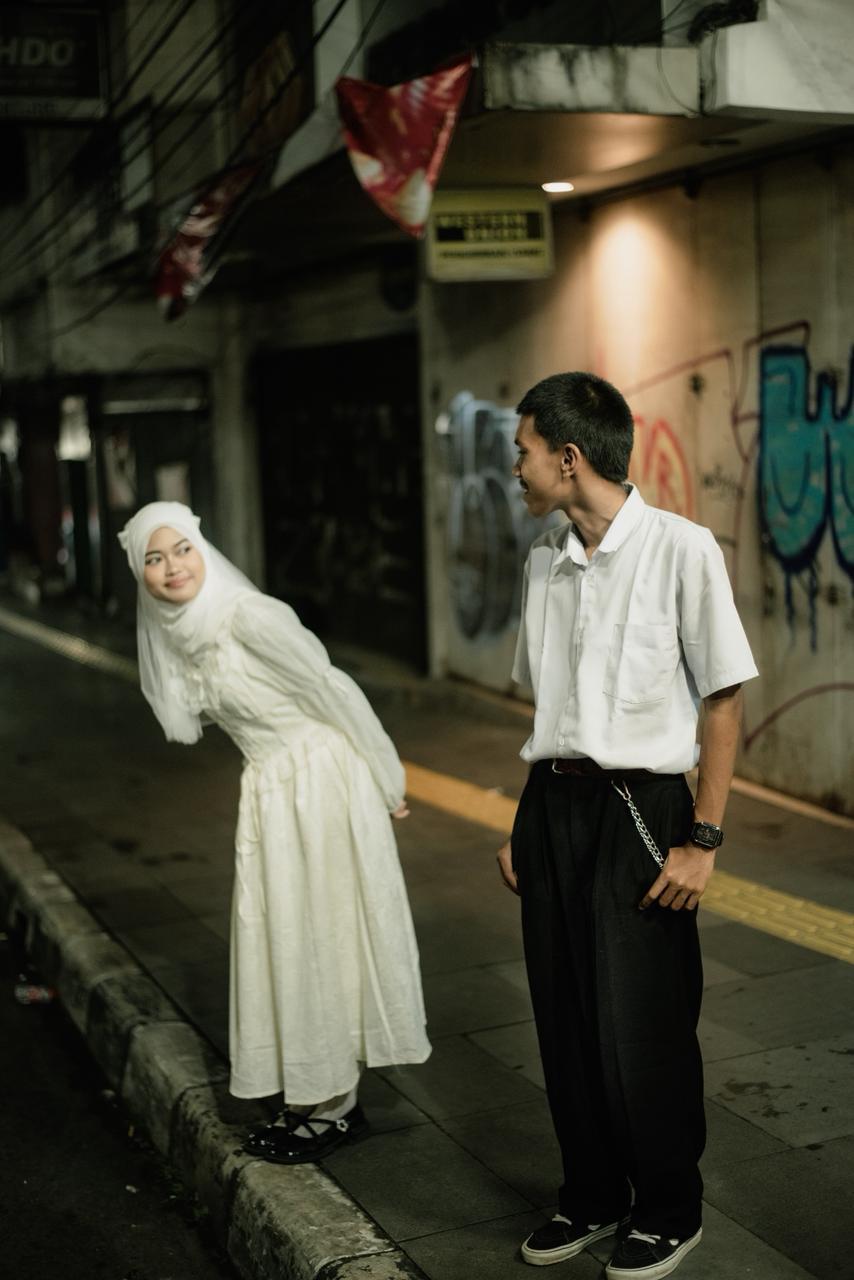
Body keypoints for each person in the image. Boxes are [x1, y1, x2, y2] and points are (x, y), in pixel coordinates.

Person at [497, 373, 758, 1279]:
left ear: (569, 458)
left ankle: (668, 1207)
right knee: (564, 1014)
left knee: (642, 1022)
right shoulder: (544, 559)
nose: (515, 468)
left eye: (523, 451)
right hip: (551, 804)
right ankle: (592, 1193)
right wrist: (522, 820)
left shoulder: (682, 550)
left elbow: (722, 700)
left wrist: (704, 840)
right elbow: (552, 705)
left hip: (642, 809)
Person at [119, 501, 430, 1163]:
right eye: (154, 558)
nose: (172, 567)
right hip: (270, 789)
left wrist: (386, 778)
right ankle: (315, 1092)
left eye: (182, 549)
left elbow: (331, 689)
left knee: (322, 934)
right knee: (286, 937)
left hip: (320, 782)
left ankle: (336, 1108)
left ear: (204, 550)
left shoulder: (248, 616)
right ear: (139, 572)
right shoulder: (181, 633)